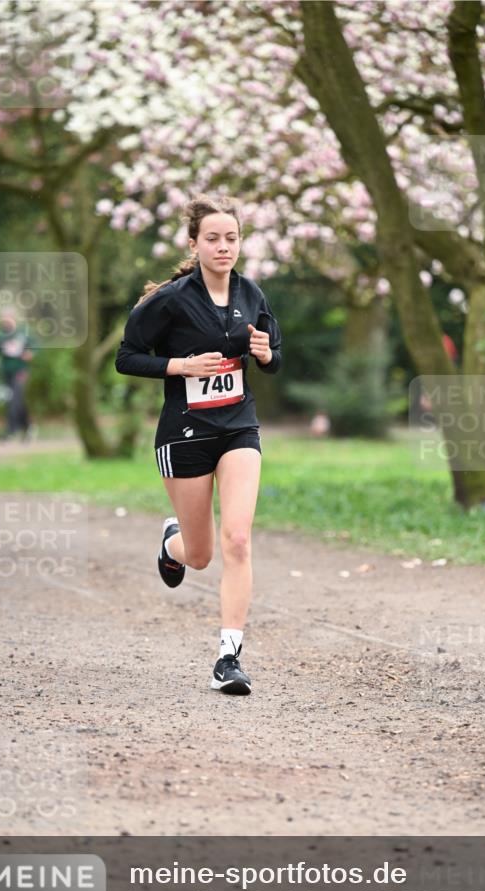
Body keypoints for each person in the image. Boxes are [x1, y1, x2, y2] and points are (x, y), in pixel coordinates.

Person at [115, 194, 282, 695]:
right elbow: (127, 357)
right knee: (202, 554)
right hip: (184, 433)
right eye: (213, 238)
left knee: (237, 539)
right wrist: (179, 366)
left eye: (231, 238)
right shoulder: (170, 300)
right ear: (194, 243)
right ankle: (172, 544)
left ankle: (228, 658)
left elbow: (273, 354)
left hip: (238, 428)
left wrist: (267, 354)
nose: (223, 246)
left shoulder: (252, 295)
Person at [0, 310, 36, 441]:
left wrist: (30, 353)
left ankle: (10, 431)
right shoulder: (0, 335)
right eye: (3, 319)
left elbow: (34, 347)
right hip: (7, 371)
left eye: (8, 318)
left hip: (21, 371)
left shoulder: (22, 333)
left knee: (14, 400)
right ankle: (29, 427)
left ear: (13, 319)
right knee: (16, 400)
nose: (5, 321)